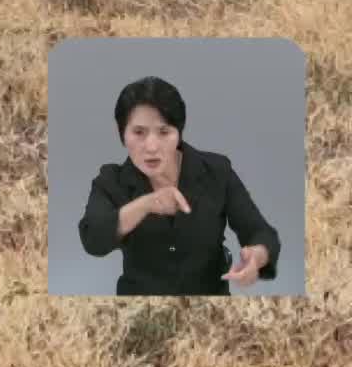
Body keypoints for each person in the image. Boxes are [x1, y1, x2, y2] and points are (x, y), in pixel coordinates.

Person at [77, 76, 281, 295]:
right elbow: (93, 239)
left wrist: (256, 257)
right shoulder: (111, 181)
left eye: (164, 132)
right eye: (138, 132)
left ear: (179, 134)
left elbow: (261, 232)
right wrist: (145, 204)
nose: (151, 146)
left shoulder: (217, 171)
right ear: (122, 135)